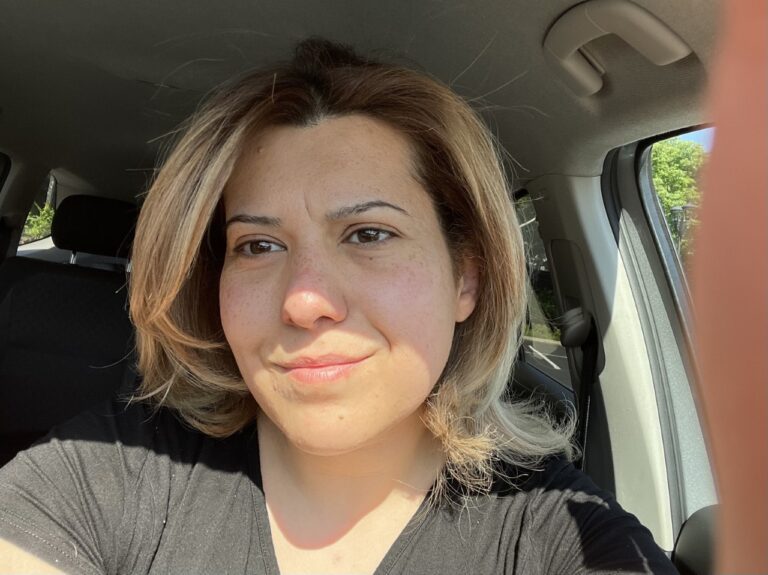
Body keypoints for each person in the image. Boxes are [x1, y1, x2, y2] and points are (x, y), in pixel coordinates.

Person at [0, 39, 677, 574]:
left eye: (368, 234)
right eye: (259, 244)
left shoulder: (561, 531)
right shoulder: (111, 470)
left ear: (466, 277)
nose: (304, 300)